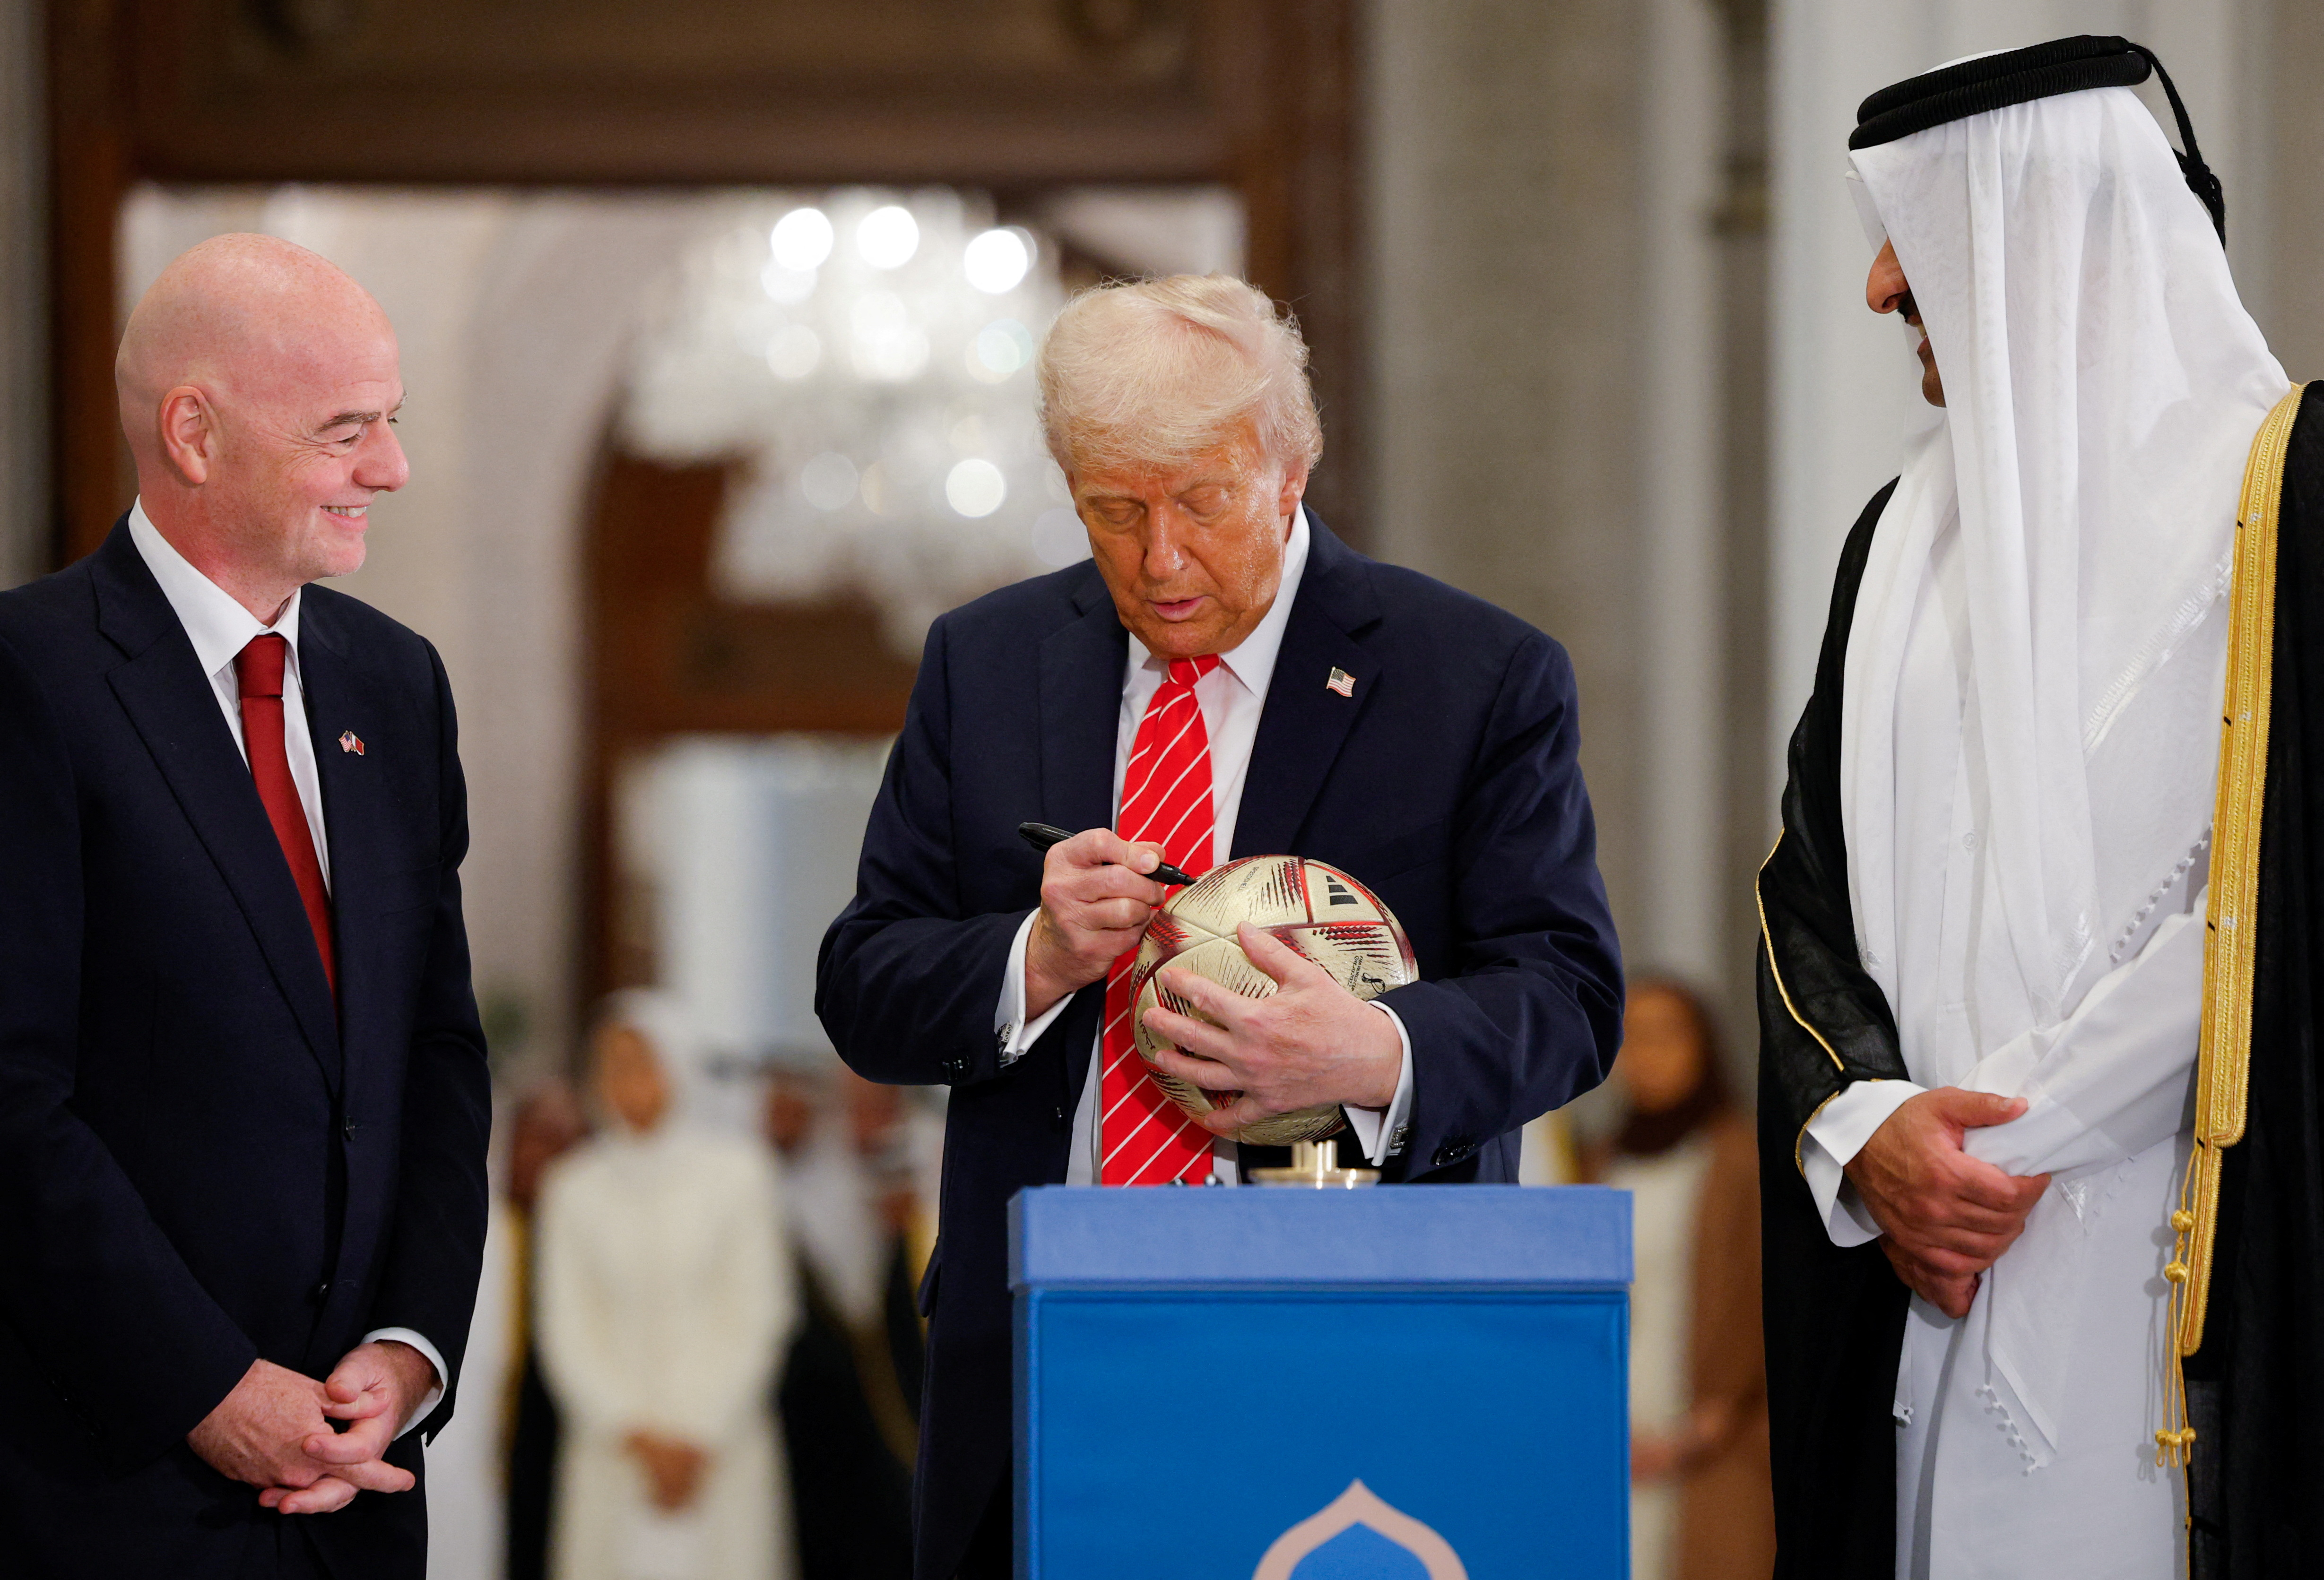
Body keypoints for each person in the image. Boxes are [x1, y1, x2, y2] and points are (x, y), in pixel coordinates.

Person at [816, 273, 1624, 1577]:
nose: (1160, 557)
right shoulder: (988, 662)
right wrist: (1034, 954)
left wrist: (1364, 1053)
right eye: (1114, 510)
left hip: (1356, 1355)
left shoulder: (1471, 675)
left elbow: (1571, 994)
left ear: (1289, 465)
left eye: (1202, 501)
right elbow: (863, 979)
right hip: (1037, 1351)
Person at [1756, 35, 2324, 1580]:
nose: (1878, 287)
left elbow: (2278, 887)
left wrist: (1998, 1142)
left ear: (2054, 238)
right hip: (1929, 1274)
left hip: (2187, 1254)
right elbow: (1800, 891)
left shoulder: (2283, 495)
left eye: (1914, 234)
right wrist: (1871, 1130)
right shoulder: (1894, 540)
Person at [0, 234, 491, 1578]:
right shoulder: (28, 679)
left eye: (392, 423)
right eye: (347, 431)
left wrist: (410, 1347)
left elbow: (439, 1052)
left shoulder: (400, 684)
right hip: (108, 1488)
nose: (389, 468)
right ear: (194, 433)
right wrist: (208, 1383)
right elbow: (11, 1099)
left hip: (360, 1487)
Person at [534, 992, 798, 1580]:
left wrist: (697, 1433)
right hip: (614, 1453)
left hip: (720, 1451)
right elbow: (566, 1328)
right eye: (612, 1065)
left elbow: (760, 1314)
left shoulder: (739, 1174)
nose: (627, 1081)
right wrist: (634, 1432)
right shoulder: (573, 1186)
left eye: (642, 1061)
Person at [1583, 981, 1770, 1580]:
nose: (1648, 1053)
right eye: (1631, 1036)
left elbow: (1761, 1296)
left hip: (1715, 1441)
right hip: (1608, 1441)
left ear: (1703, 1046)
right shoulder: (1596, 1164)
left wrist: (1706, 1421)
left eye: (1666, 1033)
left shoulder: (1743, 1158)